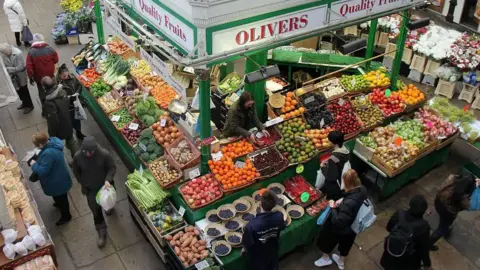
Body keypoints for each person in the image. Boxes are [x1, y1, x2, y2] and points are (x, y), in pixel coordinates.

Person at [314, 169, 367, 269]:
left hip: (342, 226)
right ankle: (341, 261)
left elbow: (337, 221)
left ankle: (325, 259)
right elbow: (353, 198)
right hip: (353, 225)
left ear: (348, 184)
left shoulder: (349, 204)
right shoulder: (362, 189)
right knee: (346, 243)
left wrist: (333, 207)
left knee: (327, 239)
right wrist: (343, 199)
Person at [72, 136, 116, 248]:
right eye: (85, 151)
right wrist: (83, 183)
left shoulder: (104, 155)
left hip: (105, 186)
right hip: (90, 189)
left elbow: (112, 168)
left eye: (90, 152)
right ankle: (101, 230)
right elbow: (76, 172)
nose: (87, 154)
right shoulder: (78, 157)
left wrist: (108, 180)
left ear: (95, 149)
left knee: (108, 202)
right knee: (95, 210)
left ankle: (109, 208)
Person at [30, 132, 72, 225]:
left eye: (37, 145)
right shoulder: (53, 143)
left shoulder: (48, 154)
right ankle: (58, 203)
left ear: (41, 144)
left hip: (56, 181)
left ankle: (66, 216)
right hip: (60, 176)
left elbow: (43, 171)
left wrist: (34, 165)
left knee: (62, 199)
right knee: (60, 197)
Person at [380, 195, 432, 270]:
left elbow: (388, 228)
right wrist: (427, 265)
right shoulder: (423, 227)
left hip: (389, 257)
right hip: (406, 262)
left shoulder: (399, 213)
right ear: (423, 211)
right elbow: (423, 249)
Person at [429, 174, 480, 251]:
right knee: (441, 229)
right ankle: (428, 244)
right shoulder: (463, 199)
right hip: (448, 212)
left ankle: (446, 228)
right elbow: (470, 207)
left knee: (442, 217)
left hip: (438, 202)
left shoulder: (452, 178)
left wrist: (473, 182)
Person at [242, 189, 285, 270]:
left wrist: (244, 249)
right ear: (275, 204)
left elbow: (248, 243)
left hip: (258, 257)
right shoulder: (279, 216)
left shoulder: (252, 225)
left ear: (260, 203)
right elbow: (281, 227)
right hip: (272, 250)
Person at [41, 76, 78, 159]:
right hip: (68, 121)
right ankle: (76, 160)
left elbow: (53, 120)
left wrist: (52, 135)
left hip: (60, 128)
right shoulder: (62, 92)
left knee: (57, 146)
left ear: (44, 87)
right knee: (71, 141)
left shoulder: (49, 102)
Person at [26, 33, 59, 113]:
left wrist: (31, 77)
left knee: (41, 93)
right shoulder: (50, 49)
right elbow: (56, 60)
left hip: (39, 78)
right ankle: (56, 107)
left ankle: (45, 110)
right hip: (50, 75)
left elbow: (29, 67)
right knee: (54, 89)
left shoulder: (31, 52)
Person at [0, 43, 33, 114]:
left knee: (24, 90)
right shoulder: (4, 53)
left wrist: (8, 69)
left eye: (5, 53)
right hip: (13, 76)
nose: (4, 54)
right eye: (3, 53)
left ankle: (29, 105)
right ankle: (24, 103)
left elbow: (21, 66)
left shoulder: (18, 53)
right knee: (18, 91)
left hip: (20, 75)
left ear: (9, 49)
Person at [57, 64, 86, 140]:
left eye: (67, 75)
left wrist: (77, 93)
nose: (66, 77)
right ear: (59, 75)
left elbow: (79, 86)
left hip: (75, 102)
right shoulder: (57, 84)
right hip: (67, 106)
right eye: (64, 76)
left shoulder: (72, 77)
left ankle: (78, 132)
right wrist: (67, 98)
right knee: (70, 120)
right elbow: (58, 96)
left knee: (77, 118)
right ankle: (71, 134)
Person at [320, 131, 350, 201]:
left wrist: (322, 167)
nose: (328, 141)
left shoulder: (334, 157)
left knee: (332, 201)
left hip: (335, 186)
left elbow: (331, 176)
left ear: (334, 143)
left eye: (329, 140)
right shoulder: (345, 150)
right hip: (342, 178)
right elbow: (338, 162)